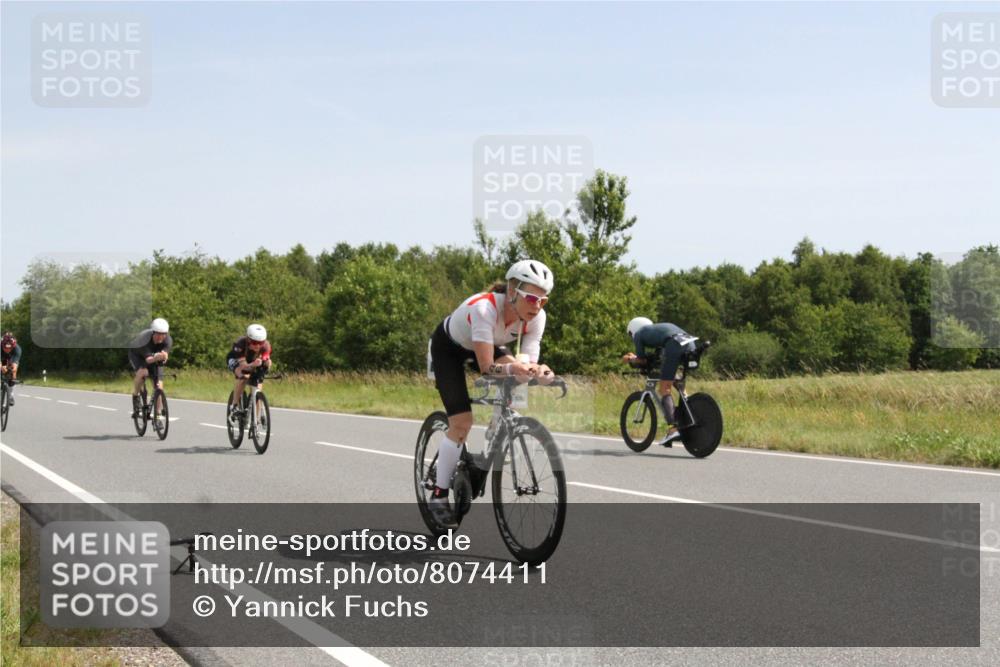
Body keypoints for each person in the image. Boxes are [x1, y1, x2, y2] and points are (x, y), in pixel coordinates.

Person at [428, 259, 556, 528]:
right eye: (532, 298)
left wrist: (540, 372)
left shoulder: (536, 318)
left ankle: (492, 442)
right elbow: (487, 367)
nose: (538, 306)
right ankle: (438, 495)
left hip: (490, 344)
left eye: (543, 300)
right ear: (512, 290)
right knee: (462, 423)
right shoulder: (485, 308)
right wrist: (517, 369)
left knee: (516, 381)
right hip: (449, 349)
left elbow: (527, 365)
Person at [621, 317, 698, 447]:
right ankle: (689, 407)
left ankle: (673, 430)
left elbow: (641, 360)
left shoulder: (640, 334)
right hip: (691, 345)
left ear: (632, 330)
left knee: (664, 389)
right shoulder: (658, 330)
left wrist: (629, 359)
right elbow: (662, 358)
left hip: (675, 345)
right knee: (675, 380)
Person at [128, 318, 173, 417]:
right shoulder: (144, 340)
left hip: (153, 357)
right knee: (143, 372)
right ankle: (135, 396)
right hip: (138, 355)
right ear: (153, 332)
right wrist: (157, 357)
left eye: (163, 334)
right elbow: (148, 360)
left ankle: (157, 414)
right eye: (158, 334)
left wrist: (164, 357)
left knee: (158, 385)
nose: (161, 337)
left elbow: (165, 356)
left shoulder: (168, 340)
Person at [227, 323, 272, 421]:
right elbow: (243, 366)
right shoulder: (240, 344)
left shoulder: (266, 346)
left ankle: (255, 419)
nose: (258, 346)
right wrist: (253, 365)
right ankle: (234, 406)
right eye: (255, 343)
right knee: (243, 377)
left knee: (258, 387)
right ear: (248, 340)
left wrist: (267, 363)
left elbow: (266, 360)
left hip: (253, 361)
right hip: (237, 360)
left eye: (261, 343)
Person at [1, 332, 22, 406]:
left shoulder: (17, 349)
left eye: (9, 348)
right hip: (2, 357)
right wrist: (2, 366)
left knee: (14, 372)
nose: (7, 349)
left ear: (13, 346)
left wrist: (13, 369)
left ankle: (11, 396)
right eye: (5, 348)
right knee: (2, 369)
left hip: (12, 358)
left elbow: (15, 364)